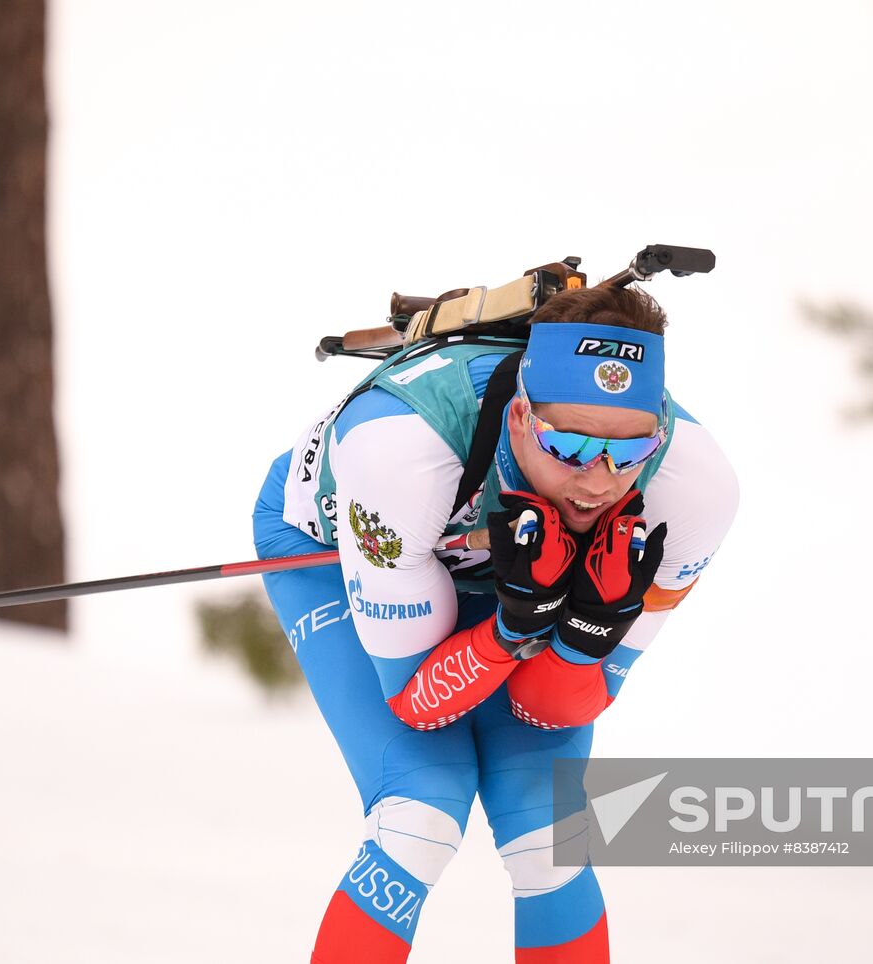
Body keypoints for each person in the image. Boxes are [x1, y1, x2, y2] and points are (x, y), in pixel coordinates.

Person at [252, 285, 738, 963]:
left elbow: (552, 709)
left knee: (549, 834)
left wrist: (582, 634)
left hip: (498, 563)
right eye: (568, 445)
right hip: (339, 548)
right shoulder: (401, 453)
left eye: (628, 454)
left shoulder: (692, 491)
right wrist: (511, 632)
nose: (599, 482)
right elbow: (417, 703)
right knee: (420, 813)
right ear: (518, 418)